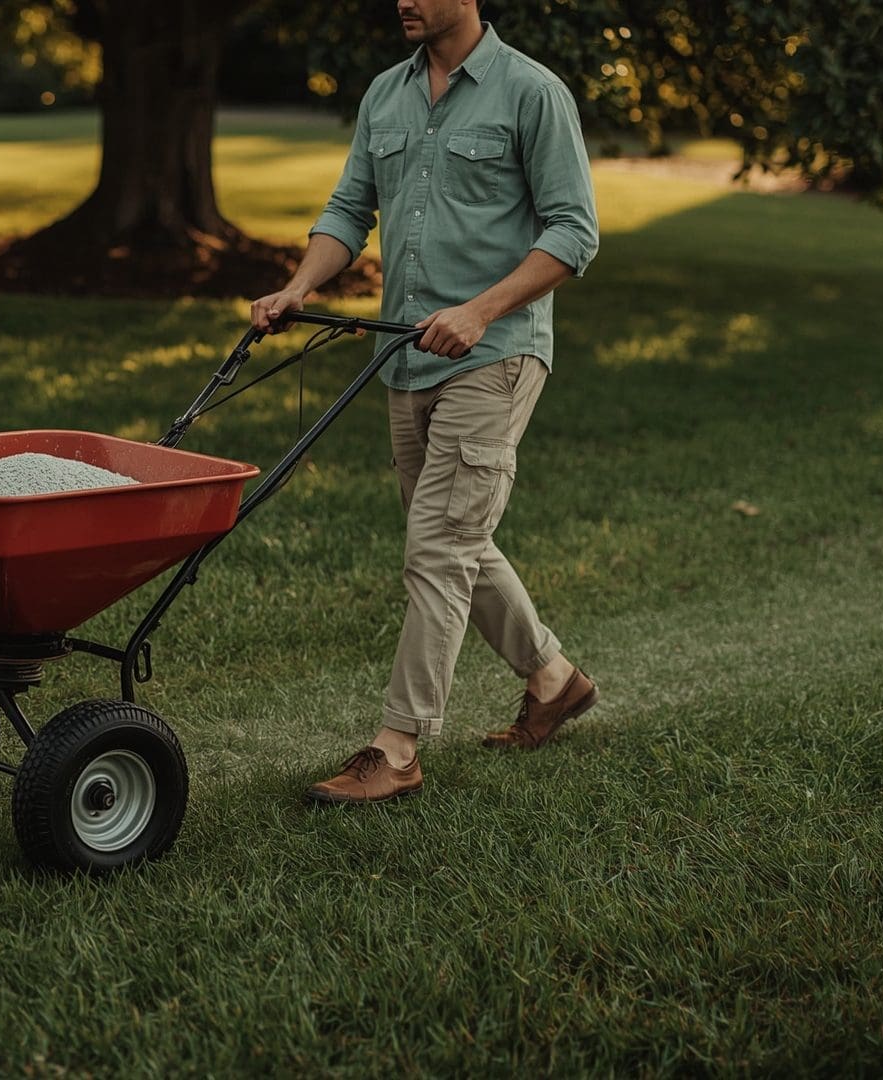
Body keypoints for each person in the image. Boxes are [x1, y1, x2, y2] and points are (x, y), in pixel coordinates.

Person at [248, 0, 602, 804]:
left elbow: (573, 233)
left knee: (438, 545)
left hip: (496, 354)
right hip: (406, 358)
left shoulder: (530, 92)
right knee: (456, 539)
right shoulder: (386, 94)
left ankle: (397, 748)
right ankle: (553, 680)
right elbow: (349, 210)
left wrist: (480, 311)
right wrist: (300, 286)